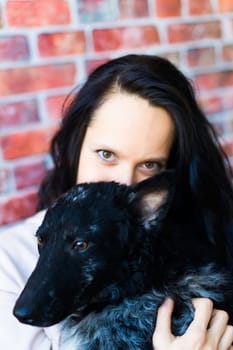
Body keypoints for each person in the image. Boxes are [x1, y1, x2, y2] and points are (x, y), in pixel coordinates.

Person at [0, 54, 233, 350]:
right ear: (74, 147)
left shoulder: (200, 251)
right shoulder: (8, 262)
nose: (124, 182)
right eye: (107, 154)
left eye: (149, 164)